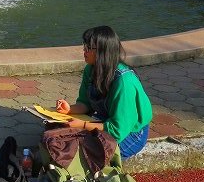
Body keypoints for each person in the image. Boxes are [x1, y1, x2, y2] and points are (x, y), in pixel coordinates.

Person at [55, 25, 153, 158]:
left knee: (88, 152)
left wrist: (83, 125)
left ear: (103, 51)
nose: (84, 51)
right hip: (106, 120)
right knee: (60, 133)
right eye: (84, 46)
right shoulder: (90, 69)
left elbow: (117, 131)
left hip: (130, 132)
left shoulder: (123, 82)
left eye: (89, 48)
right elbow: (85, 104)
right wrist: (69, 109)